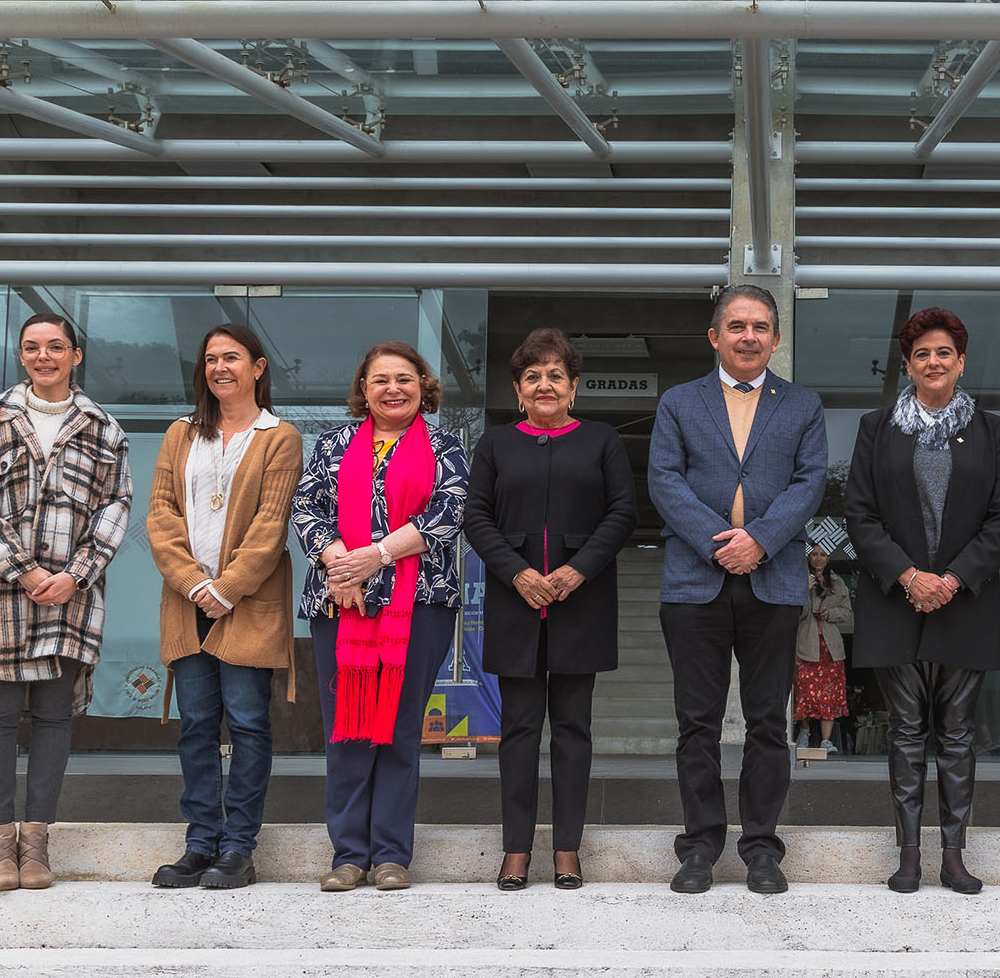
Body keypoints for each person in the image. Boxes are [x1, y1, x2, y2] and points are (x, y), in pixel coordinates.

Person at [648, 283, 827, 895]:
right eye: (737, 326)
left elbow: (810, 484)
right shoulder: (679, 402)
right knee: (696, 723)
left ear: (775, 339)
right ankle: (699, 847)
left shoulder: (802, 405)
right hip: (695, 581)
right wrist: (723, 541)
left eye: (760, 327)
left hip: (773, 581)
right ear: (715, 336)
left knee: (767, 724)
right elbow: (664, 482)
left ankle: (760, 849)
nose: (748, 336)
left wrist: (762, 541)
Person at [0, 312, 131, 892]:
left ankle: (37, 843)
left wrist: (76, 574)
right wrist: (23, 570)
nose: (43, 356)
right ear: (21, 354)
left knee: (55, 718)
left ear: (76, 355)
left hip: (70, 597)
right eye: (32, 347)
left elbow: (116, 507)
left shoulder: (104, 429)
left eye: (56, 346)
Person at [845, 307, 1000, 894]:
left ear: (961, 362)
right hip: (897, 602)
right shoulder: (876, 428)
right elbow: (860, 516)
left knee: (960, 735)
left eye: (944, 352)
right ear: (908, 365)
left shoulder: (992, 430)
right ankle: (909, 854)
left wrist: (952, 579)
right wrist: (908, 576)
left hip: (964, 604)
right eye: (922, 354)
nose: (934, 362)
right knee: (905, 732)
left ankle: (954, 855)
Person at [463, 328, 637, 891]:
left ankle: (566, 850)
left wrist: (576, 569)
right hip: (516, 604)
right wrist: (515, 572)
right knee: (517, 731)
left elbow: (621, 513)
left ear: (573, 386)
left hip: (579, 603)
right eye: (532, 376)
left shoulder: (602, 440)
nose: (544, 384)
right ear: (518, 389)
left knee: (572, 731)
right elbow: (476, 517)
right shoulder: (494, 444)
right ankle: (516, 850)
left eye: (554, 375)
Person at [292, 341, 468, 893]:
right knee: (346, 728)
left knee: (399, 730)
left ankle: (391, 855)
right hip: (340, 602)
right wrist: (341, 566)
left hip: (419, 605)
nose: (394, 388)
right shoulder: (332, 444)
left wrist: (379, 555)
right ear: (363, 390)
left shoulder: (446, 448)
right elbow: (307, 508)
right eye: (381, 379)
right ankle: (348, 854)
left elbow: (450, 512)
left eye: (405, 378)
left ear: (424, 387)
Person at [145, 323, 303, 890]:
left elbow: (271, 525)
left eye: (232, 358)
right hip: (187, 600)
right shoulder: (180, 434)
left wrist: (227, 588)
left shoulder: (279, 436)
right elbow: (160, 514)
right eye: (210, 359)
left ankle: (238, 848)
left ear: (258, 368)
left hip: (247, 602)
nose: (220, 368)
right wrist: (193, 584)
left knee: (248, 723)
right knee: (196, 725)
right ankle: (199, 843)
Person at [793, 544, 852, 755]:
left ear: (829, 558)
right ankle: (805, 731)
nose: (818, 559)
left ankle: (826, 740)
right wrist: (804, 590)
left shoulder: (837, 582)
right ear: (809, 557)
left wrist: (831, 613)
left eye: (823, 555)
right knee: (805, 690)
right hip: (807, 643)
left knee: (830, 692)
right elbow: (794, 613)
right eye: (814, 554)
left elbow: (846, 612)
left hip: (830, 646)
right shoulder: (800, 578)